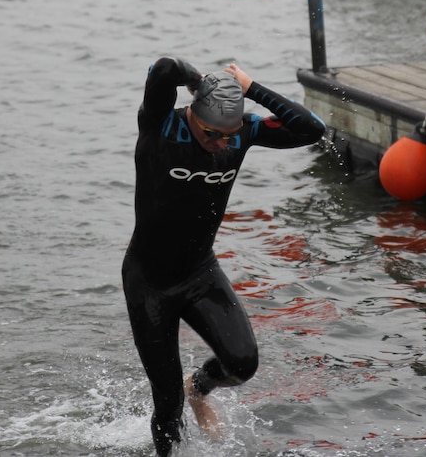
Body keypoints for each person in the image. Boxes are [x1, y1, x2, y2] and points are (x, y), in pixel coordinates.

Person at [123, 57, 325, 456]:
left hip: (199, 274)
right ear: (194, 117)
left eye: (229, 136)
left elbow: (311, 129)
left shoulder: (240, 133)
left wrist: (252, 89)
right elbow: (164, 69)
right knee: (167, 405)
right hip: (150, 284)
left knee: (242, 364)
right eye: (213, 134)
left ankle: (199, 390)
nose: (222, 144)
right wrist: (201, 81)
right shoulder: (160, 125)